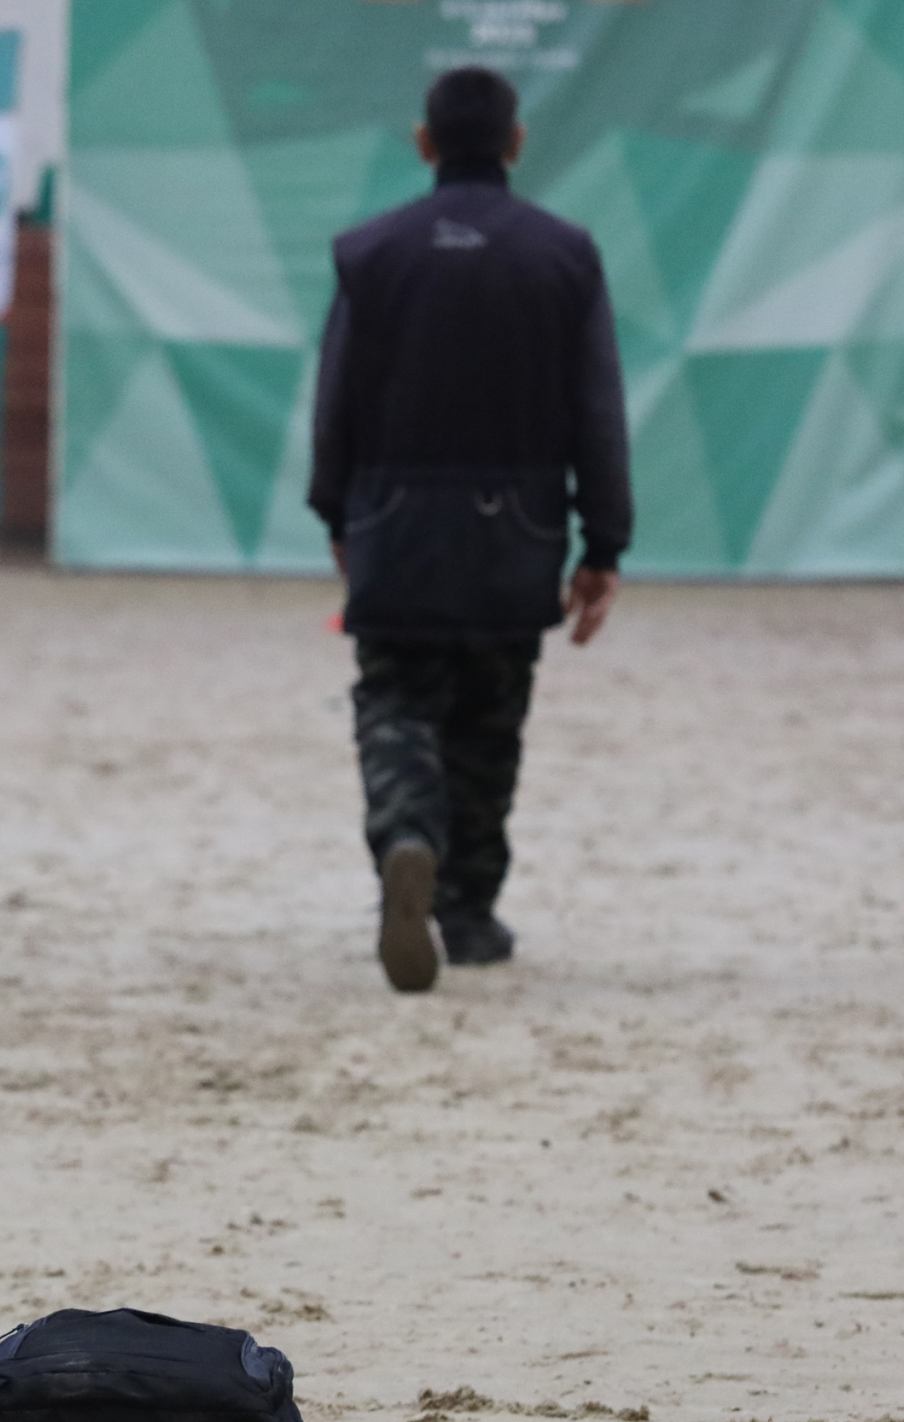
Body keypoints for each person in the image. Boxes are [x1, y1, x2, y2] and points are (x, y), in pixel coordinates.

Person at [309, 66, 632, 993]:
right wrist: (601, 545)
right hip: (518, 529)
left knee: (397, 702)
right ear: (516, 142)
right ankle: (471, 912)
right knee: (491, 720)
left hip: (394, 525)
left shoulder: (370, 255)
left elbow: (338, 403)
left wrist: (337, 512)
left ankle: (410, 838)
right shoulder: (565, 256)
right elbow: (597, 412)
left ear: (424, 142)